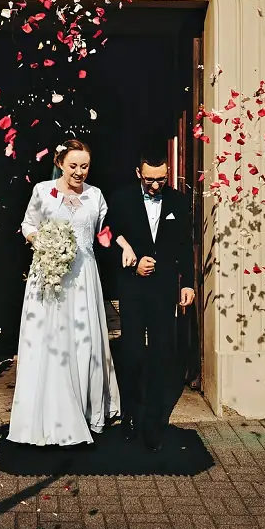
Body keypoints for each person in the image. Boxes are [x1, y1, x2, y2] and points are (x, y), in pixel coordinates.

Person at [6, 139, 122, 447]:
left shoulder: (95, 195)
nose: (79, 172)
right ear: (60, 163)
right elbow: (28, 225)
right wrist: (43, 243)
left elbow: (105, 233)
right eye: (73, 166)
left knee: (84, 340)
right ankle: (49, 413)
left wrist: (125, 246)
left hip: (84, 276)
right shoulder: (42, 191)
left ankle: (86, 409)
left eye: (85, 166)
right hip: (49, 275)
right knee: (51, 340)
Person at [103, 146, 195, 451]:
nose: (155, 185)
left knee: (160, 353)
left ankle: (154, 421)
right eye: (149, 180)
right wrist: (130, 260)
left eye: (161, 179)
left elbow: (184, 245)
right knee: (131, 352)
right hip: (132, 287)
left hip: (164, 288)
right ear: (138, 173)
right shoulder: (121, 199)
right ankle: (131, 414)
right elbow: (105, 237)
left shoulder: (178, 201)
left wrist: (188, 284)